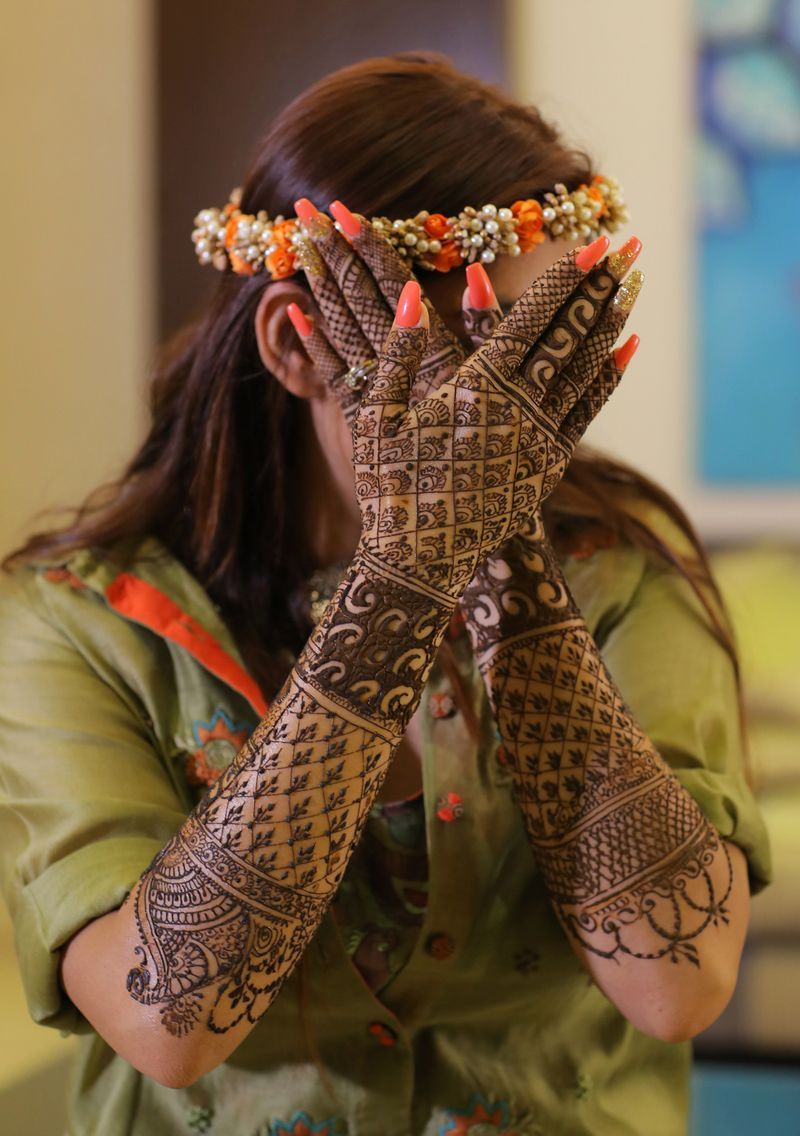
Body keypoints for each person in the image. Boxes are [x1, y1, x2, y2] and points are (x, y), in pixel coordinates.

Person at [0, 52, 771, 1136]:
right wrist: (404, 575)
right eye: (487, 345)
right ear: (294, 344)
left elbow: (675, 979)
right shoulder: (75, 618)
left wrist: (495, 544)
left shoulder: (620, 569)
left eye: (551, 344)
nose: (529, 407)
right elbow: (166, 1018)